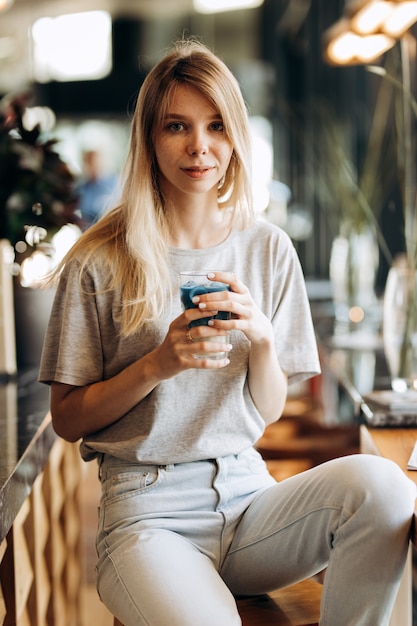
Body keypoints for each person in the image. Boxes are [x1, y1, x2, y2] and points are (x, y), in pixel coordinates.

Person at [39, 39, 416, 626]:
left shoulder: (266, 247)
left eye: (216, 125)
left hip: (249, 500)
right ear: (149, 138)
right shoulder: (98, 259)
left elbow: (265, 412)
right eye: (177, 126)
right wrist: (158, 364)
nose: (200, 146)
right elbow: (66, 418)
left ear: (236, 133)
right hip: (146, 515)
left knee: (385, 489)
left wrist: (263, 339)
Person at [76, 149, 118, 228]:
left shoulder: (115, 184)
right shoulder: (83, 188)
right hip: (89, 233)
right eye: (88, 163)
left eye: (94, 162)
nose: (92, 167)